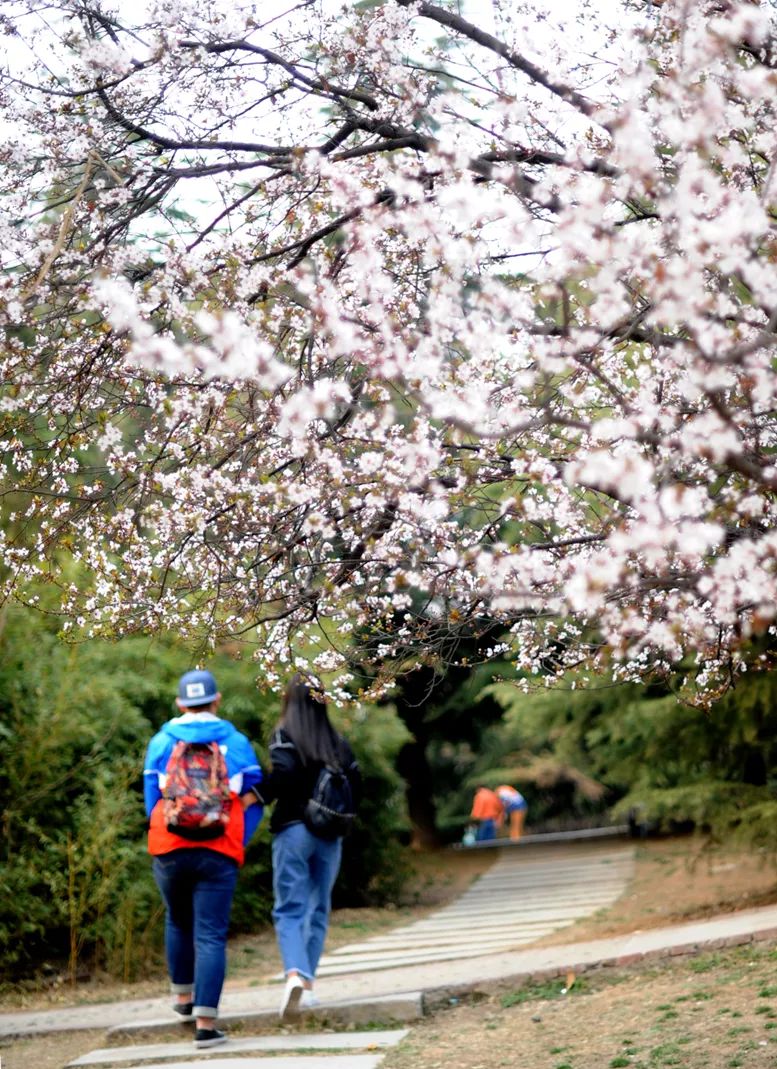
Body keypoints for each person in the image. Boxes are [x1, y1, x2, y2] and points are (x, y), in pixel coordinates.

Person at [143, 669, 264, 1050]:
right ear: (217, 699)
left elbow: (151, 802)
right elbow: (255, 800)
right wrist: (237, 839)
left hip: (169, 846)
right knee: (210, 933)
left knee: (177, 920)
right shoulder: (237, 742)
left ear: (180, 703)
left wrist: (164, 831)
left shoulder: (162, 741)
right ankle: (206, 1026)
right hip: (219, 848)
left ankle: (182, 998)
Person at [249, 674, 361, 1020]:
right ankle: (308, 988)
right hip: (330, 834)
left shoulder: (285, 736)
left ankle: (295, 974)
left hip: (294, 830)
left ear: (290, 700)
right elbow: (356, 784)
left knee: (289, 908)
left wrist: (253, 796)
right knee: (317, 908)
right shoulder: (337, 742)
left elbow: (283, 776)